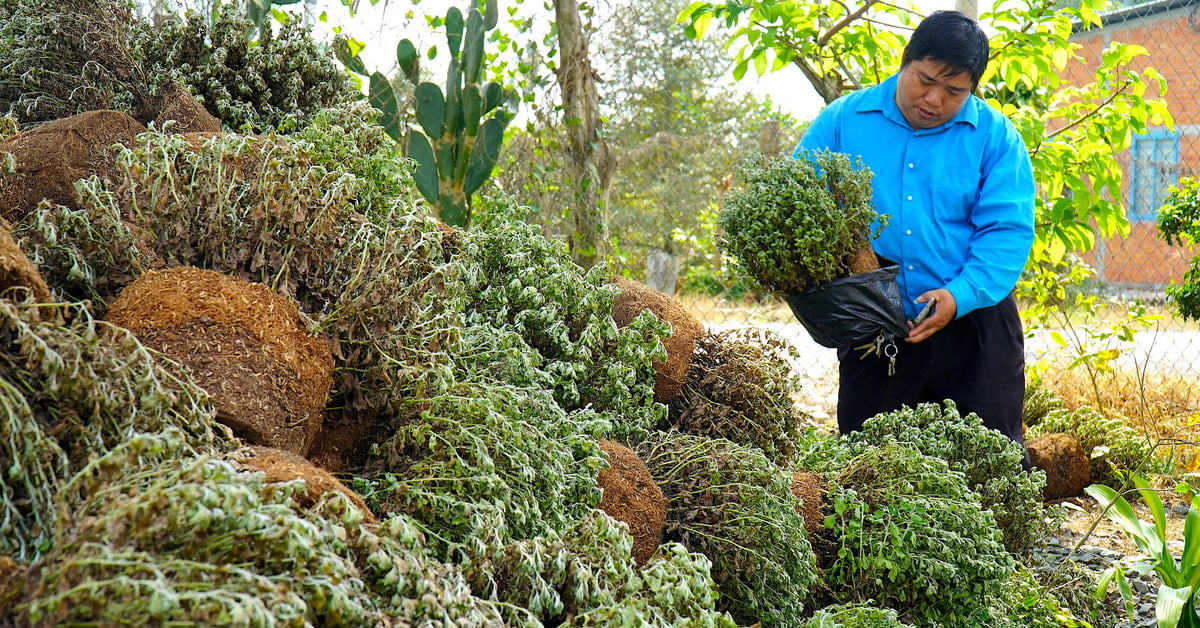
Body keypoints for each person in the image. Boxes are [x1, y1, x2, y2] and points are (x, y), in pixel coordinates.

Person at [795, 10, 1035, 460]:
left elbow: (1006, 231)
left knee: (992, 461)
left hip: (974, 319)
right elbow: (796, 201)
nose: (934, 99)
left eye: (954, 91)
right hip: (873, 326)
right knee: (871, 466)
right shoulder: (843, 121)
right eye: (924, 79)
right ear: (905, 61)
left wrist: (959, 295)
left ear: (972, 88)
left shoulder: (996, 137)